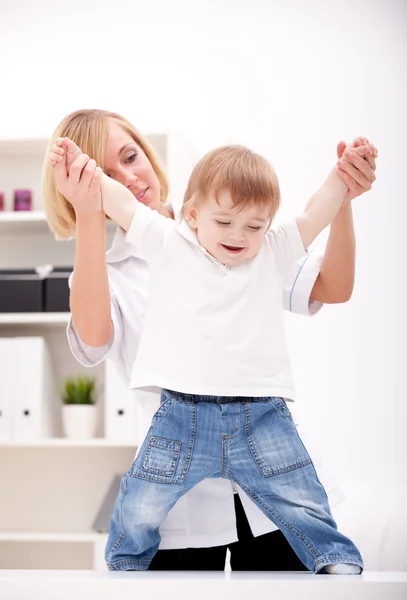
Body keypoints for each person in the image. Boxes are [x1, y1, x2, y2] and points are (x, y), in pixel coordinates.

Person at [43, 109, 377, 571]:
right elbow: (94, 339)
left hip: (268, 481)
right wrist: (87, 205)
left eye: (130, 156)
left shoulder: (245, 232)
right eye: (105, 171)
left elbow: (330, 277)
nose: (129, 176)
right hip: (182, 501)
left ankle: (334, 555)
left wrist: (344, 191)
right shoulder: (132, 254)